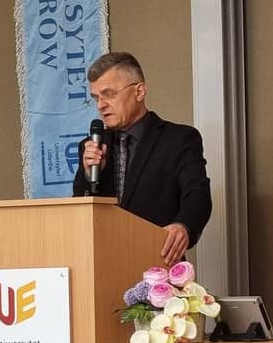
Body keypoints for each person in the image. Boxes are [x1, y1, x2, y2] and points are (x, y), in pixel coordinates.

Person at [73, 52, 212, 266]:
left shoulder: (179, 139)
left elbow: (197, 195)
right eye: (96, 97)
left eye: (108, 94)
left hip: (157, 264)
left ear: (139, 91)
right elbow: (80, 211)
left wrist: (183, 225)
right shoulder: (92, 145)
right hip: (101, 264)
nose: (101, 105)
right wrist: (87, 173)